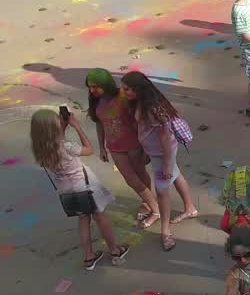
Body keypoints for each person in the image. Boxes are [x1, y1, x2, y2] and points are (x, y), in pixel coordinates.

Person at [30, 108, 129, 270]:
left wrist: (64, 127)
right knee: (100, 217)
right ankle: (115, 251)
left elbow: (56, 140)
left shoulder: (41, 150)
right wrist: (76, 126)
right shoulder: (67, 146)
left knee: (83, 219)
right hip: (85, 186)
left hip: (66, 191)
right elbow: (89, 149)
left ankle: (89, 257)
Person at [120, 72, 199, 252]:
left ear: (138, 90)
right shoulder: (141, 102)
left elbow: (165, 137)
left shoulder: (153, 108)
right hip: (157, 153)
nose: (123, 92)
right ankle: (190, 208)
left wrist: (167, 164)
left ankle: (165, 232)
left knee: (162, 191)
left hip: (163, 154)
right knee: (176, 176)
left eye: (126, 89)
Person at [85, 68, 159, 227]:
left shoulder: (123, 96)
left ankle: (149, 204)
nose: (92, 90)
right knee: (131, 179)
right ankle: (155, 207)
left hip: (134, 144)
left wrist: (146, 147)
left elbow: (141, 120)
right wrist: (102, 147)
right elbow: (100, 124)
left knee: (140, 174)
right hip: (115, 147)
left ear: (105, 84)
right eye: (90, 87)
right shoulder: (95, 101)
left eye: (96, 86)